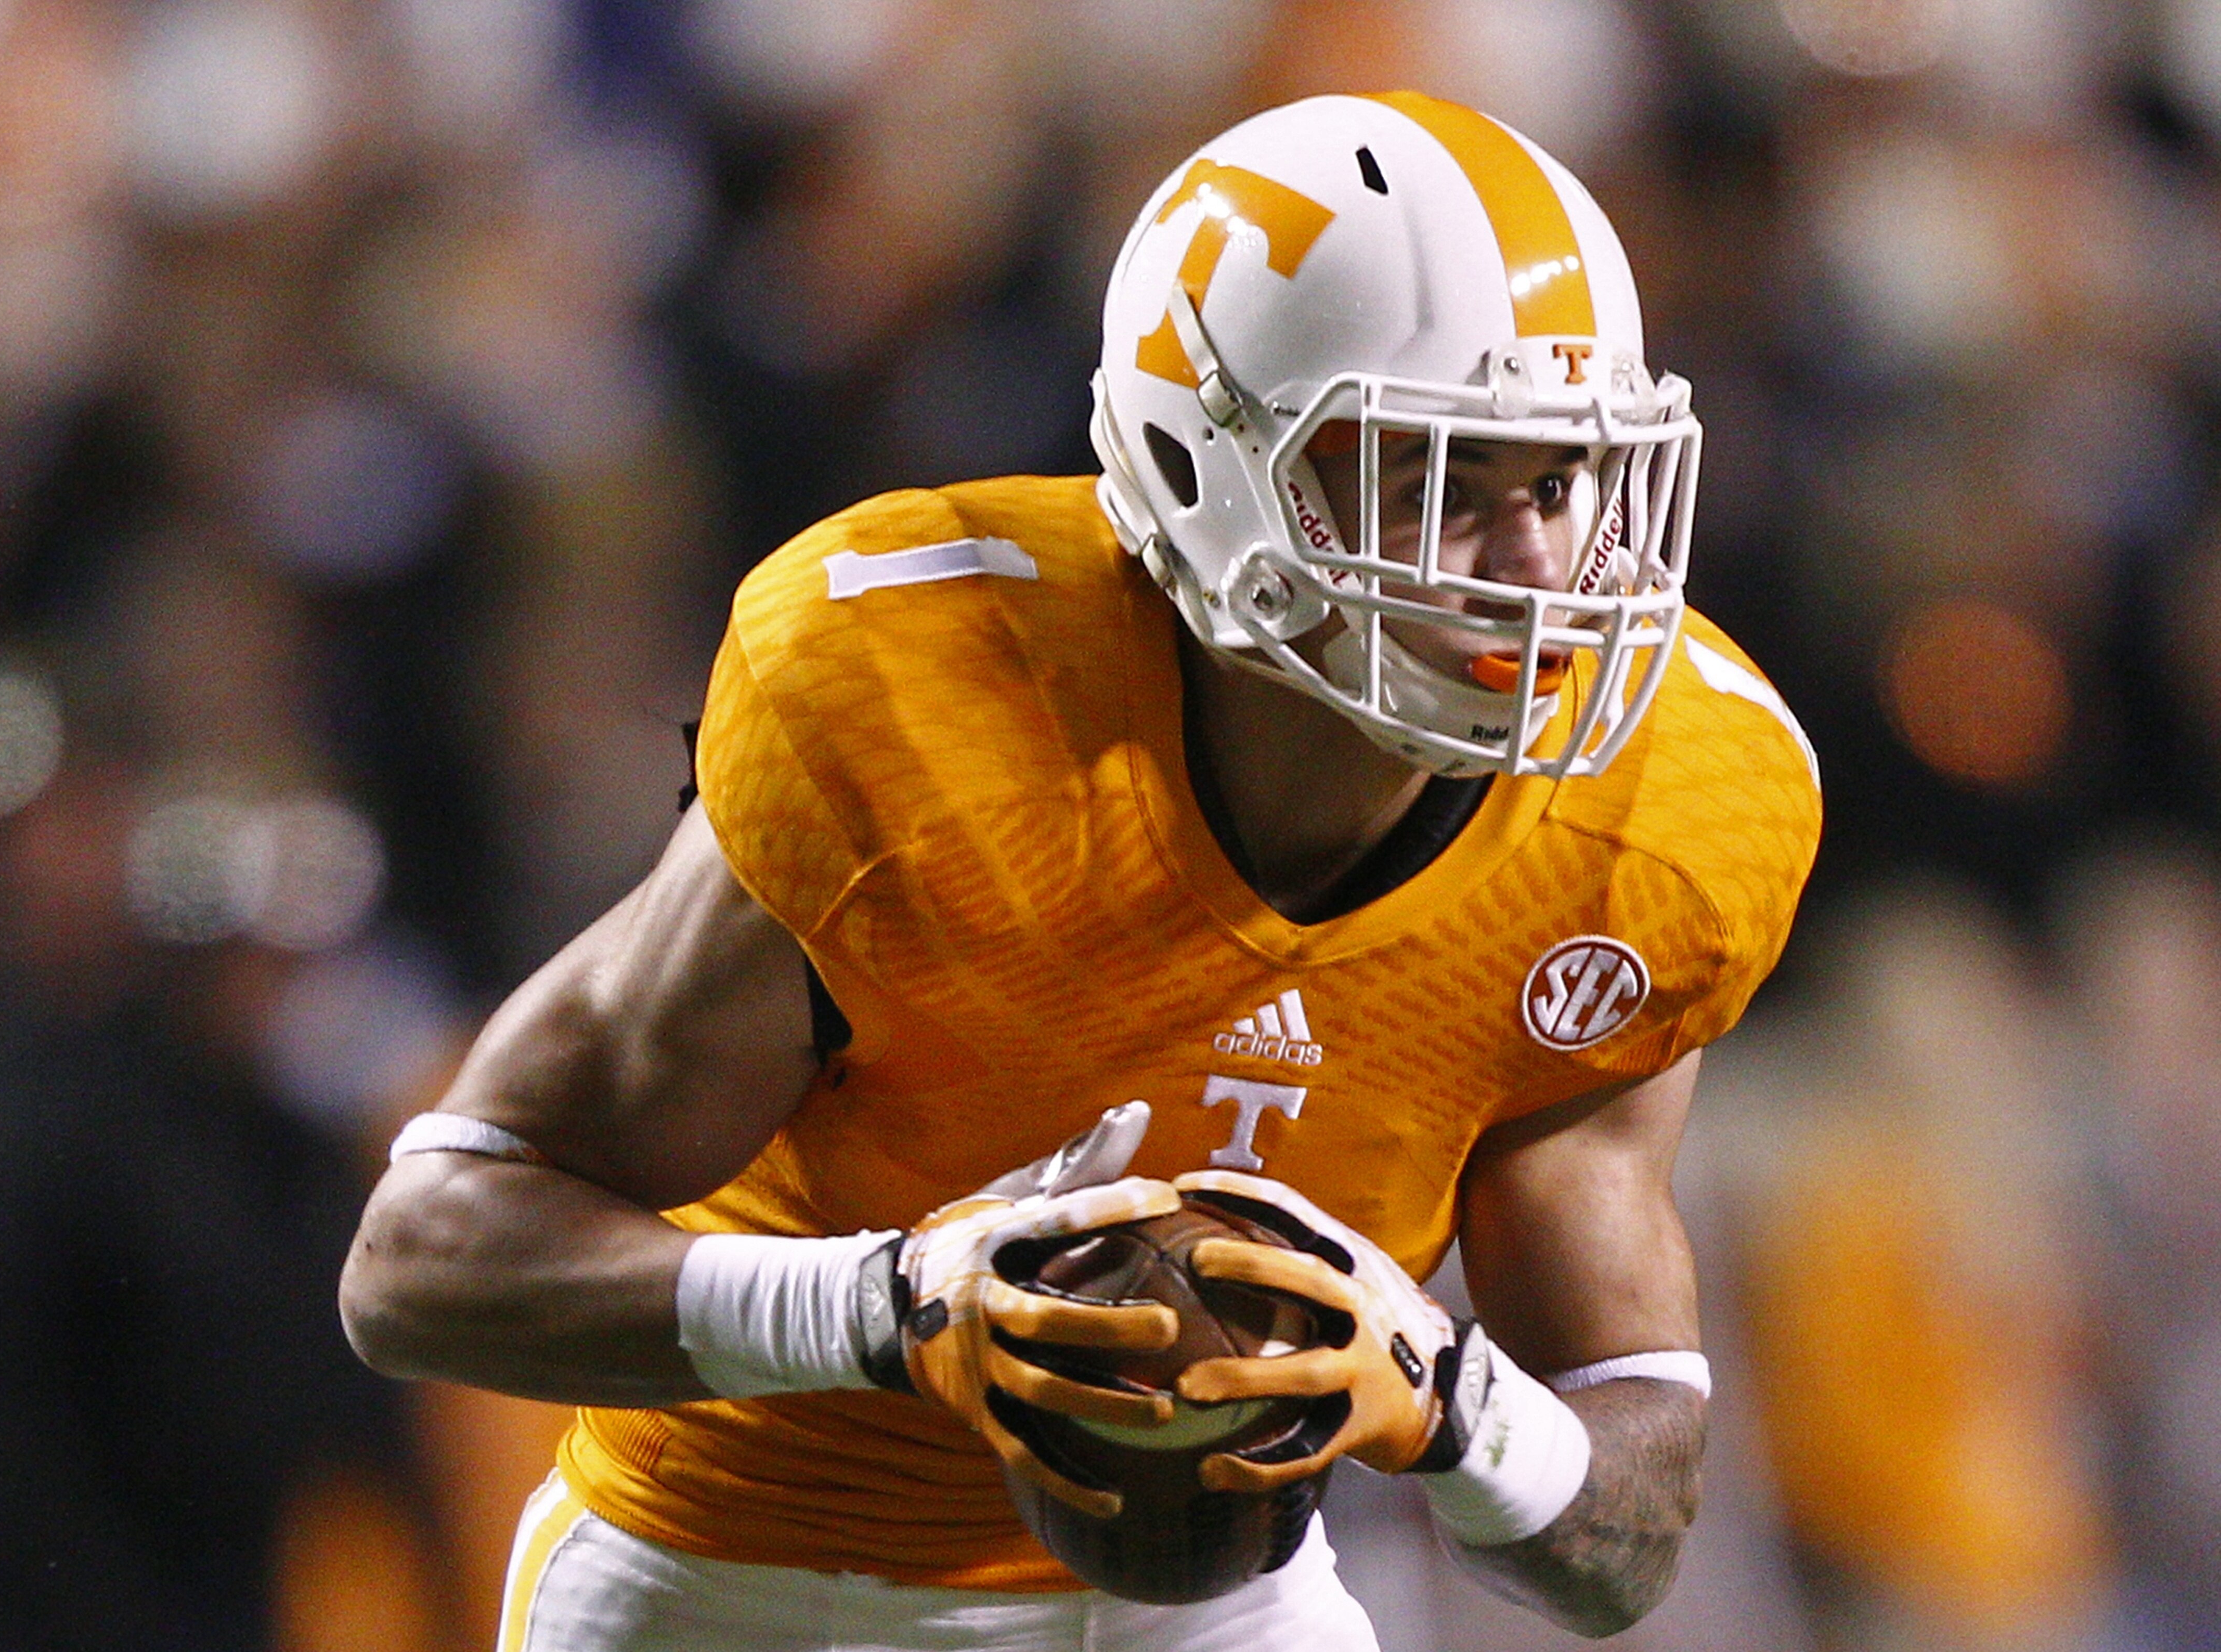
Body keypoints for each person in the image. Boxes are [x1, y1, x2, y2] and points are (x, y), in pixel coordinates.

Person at [340, 91, 1820, 1651]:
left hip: (1218, 1612)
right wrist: (881, 1309)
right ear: (1210, 470)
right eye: (1438, 489)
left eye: (1559, 484)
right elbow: (422, 1263)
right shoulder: (931, 707)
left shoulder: (1666, 807)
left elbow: (1618, 1551)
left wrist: (1448, 1402)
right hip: (738, 1567)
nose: (1533, 572)